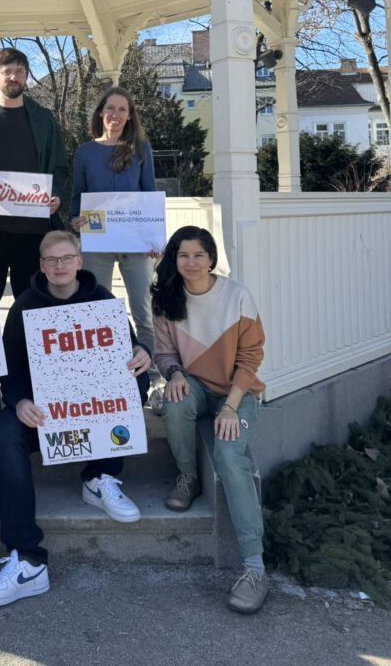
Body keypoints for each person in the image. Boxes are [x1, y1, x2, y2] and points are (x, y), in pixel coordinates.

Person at [0, 230, 151, 608]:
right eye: (51, 260)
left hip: (90, 416)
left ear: (79, 262)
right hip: (45, 417)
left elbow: (129, 349)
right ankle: (27, 559)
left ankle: (100, 476)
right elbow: (12, 369)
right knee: (5, 430)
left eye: (66, 258)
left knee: (137, 380)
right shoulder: (23, 306)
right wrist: (19, 400)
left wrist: (141, 353)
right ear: (41, 265)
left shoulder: (103, 299)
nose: (59, 266)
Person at [151, 225, 268, 614]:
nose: (191, 262)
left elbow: (251, 359)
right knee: (175, 404)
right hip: (197, 383)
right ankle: (188, 476)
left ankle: (254, 568)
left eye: (199, 255)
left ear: (211, 258)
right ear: (174, 258)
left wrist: (232, 407)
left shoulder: (236, 295)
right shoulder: (167, 297)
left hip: (238, 391)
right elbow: (165, 354)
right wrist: (175, 374)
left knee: (231, 456)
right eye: (183, 255)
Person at [0, 47, 69, 303]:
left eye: (20, 72)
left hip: (33, 230)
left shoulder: (44, 119)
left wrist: (56, 195)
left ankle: (23, 346)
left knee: (33, 305)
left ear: (26, 77)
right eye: (7, 71)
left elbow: (60, 166)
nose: (13, 77)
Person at [70, 86, 158, 380]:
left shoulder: (141, 148)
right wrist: (73, 220)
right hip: (97, 241)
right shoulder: (84, 152)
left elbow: (149, 195)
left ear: (130, 116)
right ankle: (100, 370)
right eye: (111, 109)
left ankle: (150, 370)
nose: (116, 115)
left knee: (143, 309)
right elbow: (76, 198)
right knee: (96, 307)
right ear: (100, 113)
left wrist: (154, 239)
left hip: (135, 242)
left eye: (122, 110)